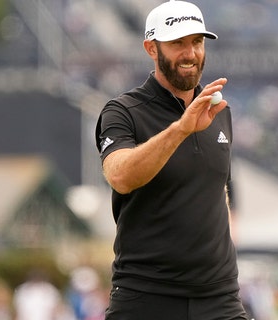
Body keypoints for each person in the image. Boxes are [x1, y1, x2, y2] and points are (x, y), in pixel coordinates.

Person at [94, 1, 248, 319]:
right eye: (178, 43)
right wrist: (180, 130)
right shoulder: (122, 112)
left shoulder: (220, 111)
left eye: (197, 42)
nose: (190, 53)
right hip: (147, 296)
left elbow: (217, 183)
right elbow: (120, 176)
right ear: (152, 48)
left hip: (219, 297)